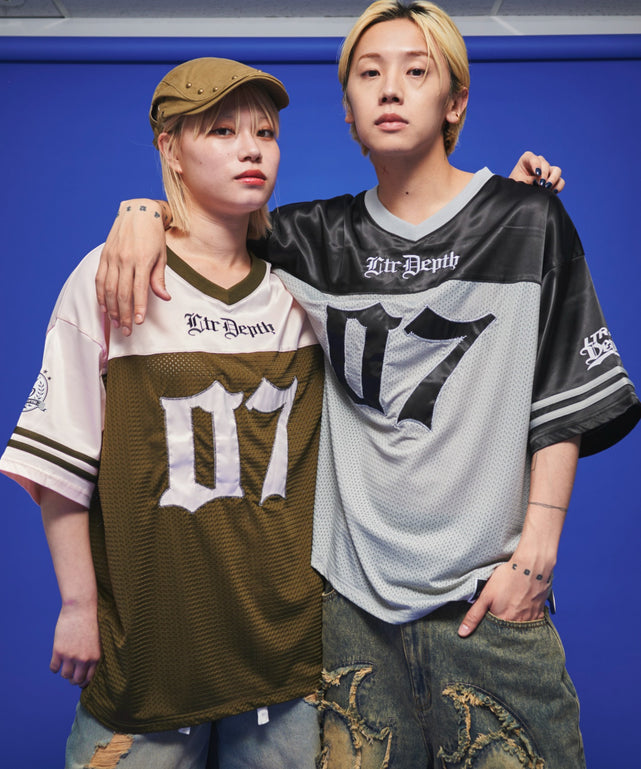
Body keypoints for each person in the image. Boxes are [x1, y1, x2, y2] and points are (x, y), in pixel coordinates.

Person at [98, 2, 641, 767]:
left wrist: (534, 559)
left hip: (488, 607)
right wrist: (142, 210)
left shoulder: (528, 221)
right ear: (348, 110)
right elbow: (210, 223)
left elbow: (560, 398)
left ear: (454, 101)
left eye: (416, 71)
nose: (390, 88)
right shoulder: (304, 238)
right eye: (368, 73)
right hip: (347, 620)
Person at [0, 57, 326, 769]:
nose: (250, 149)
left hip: (287, 658)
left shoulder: (305, 286)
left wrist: (505, 206)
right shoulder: (112, 276)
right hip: (148, 654)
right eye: (221, 131)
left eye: (265, 132)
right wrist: (78, 605)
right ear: (170, 149)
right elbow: (61, 461)